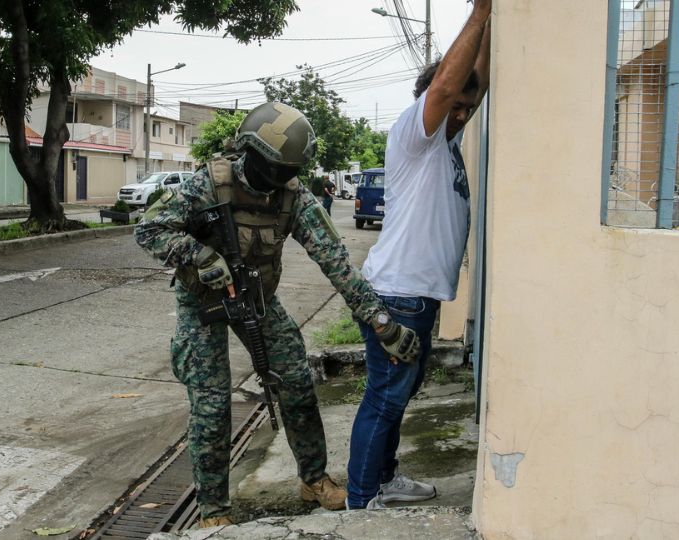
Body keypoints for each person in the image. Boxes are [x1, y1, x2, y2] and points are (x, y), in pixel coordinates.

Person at [135, 102, 420, 527]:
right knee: (212, 403)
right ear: (248, 150)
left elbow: (336, 262)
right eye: (270, 168)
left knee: (298, 385)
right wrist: (198, 254)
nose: (275, 180)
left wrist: (380, 322)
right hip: (204, 304)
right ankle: (214, 509)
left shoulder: (294, 196)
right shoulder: (206, 186)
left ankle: (313, 480)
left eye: (285, 171)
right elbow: (149, 229)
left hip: (257, 301)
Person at [346, 0, 492, 511]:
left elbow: (475, 81)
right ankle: (362, 503)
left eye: (467, 109)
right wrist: (479, 11)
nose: (460, 114)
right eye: (453, 105)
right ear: (431, 99)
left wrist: (493, 21)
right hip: (399, 294)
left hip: (416, 295)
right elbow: (450, 87)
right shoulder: (417, 133)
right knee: (385, 399)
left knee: (396, 397)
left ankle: (382, 480)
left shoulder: (447, 144)